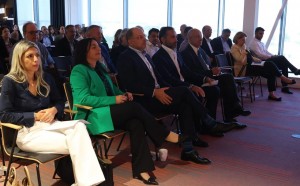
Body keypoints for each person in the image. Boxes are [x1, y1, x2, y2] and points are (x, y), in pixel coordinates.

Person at [70, 38, 182, 185]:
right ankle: (164, 134)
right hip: (92, 116)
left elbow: (111, 90)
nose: (98, 49)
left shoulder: (100, 68)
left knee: (136, 123)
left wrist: (123, 94)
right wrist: (114, 100)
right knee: (134, 107)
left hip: (108, 112)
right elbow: (82, 100)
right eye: (93, 47)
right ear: (84, 51)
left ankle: (142, 170)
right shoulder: (79, 70)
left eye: (98, 46)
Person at [117, 27, 237, 158]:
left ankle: (188, 150)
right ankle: (210, 123)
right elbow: (129, 85)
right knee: (185, 91)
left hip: (159, 94)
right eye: (139, 37)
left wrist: (171, 91)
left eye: (143, 36)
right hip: (144, 101)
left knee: (184, 105)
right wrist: (154, 92)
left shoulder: (146, 56)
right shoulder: (125, 57)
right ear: (130, 42)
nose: (144, 39)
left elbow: (160, 79)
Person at [0, 40, 105, 186]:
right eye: (30, 56)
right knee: (81, 142)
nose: (36, 59)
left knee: (80, 128)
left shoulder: (45, 77)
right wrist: (34, 116)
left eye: (37, 55)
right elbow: (4, 115)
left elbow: (60, 101)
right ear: (19, 58)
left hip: (51, 125)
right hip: (27, 132)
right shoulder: (9, 81)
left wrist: (54, 109)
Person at [180, 28, 251, 122]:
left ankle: (232, 112)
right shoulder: (185, 53)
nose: (201, 39)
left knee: (228, 78)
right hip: (198, 81)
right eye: (197, 37)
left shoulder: (200, 50)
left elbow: (207, 66)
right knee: (216, 89)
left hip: (208, 76)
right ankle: (213, 121)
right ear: (189, 38)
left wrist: (214, 71)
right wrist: (210, 73)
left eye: (201, 36)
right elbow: (191, 73)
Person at [231, 32, 296, 101]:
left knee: (271, 71)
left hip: (250, 66)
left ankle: (272, 94)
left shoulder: (243, 46)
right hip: (243, 70)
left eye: (244, 40)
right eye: (243, 40)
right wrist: (244, 52)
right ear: (237, 39)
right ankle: (283, 78)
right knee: (269, 64)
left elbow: (250, 57)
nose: (244, 41)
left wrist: (258, 60)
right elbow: (241, 61)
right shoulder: (234, 48)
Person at [249, 27, 300, 94]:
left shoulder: (261, 43)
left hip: (267, 59)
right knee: (282, 57)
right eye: (260, 33)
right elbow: (260, 55)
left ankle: (285, 87)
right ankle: (294, 70)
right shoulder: (253, 43)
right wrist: (271, 56)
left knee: (284, 65)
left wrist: (273, 55)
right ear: (256, 33)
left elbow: (266, 52)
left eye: (263, 34)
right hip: (263, 62)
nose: (262, 35)